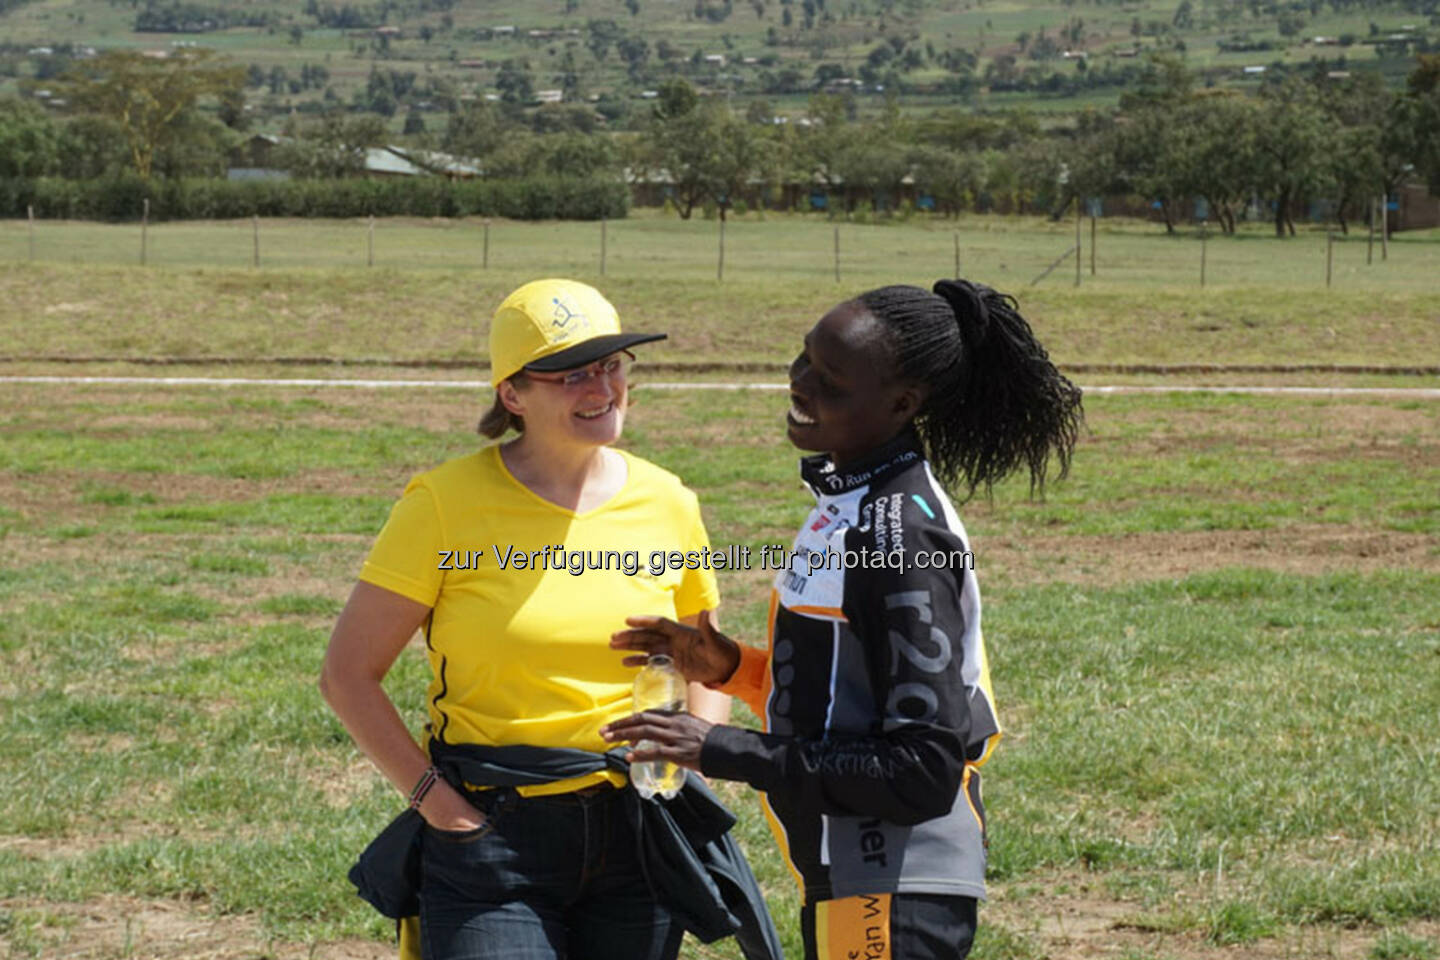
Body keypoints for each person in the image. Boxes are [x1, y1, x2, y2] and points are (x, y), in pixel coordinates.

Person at [602, 279, 1083, 960]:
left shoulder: (896, 540)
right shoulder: (851, 503)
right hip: (858, 874)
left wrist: (718, 748)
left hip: (892, 884)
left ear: (901, 404)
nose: (799, 383)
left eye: (830, 378)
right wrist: (732, 669)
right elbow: (848, 699)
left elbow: (920, 768)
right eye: (804, 358)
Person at [319, 278, 737, 960]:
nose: (601, 387)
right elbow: (347, 675)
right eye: (573, 374)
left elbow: (708, 662)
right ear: (513, 395)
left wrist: (693, 756)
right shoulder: (443, 503)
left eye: (611, 365)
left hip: (638, 830)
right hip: (494, 832)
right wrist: (439, 807)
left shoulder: (668, 502)